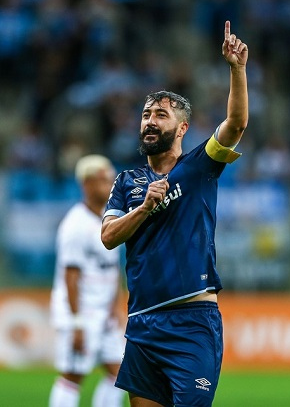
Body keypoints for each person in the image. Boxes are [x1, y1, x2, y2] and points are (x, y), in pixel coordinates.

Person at [101, 21, 249, 407]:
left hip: (192, 321)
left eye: (160, 115)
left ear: (182, 127)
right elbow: (108, 237)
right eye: (146, 114)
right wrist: (145, 207)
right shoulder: (127, 182)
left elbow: (235, 124)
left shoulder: (199, 166)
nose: (150, 120)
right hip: (142, 325)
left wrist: (236, 69)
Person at [49, 154, 127, 407]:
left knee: (119, 372)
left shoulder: (110, 220)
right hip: (82, 311)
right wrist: (76, 322)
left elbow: (113, 268)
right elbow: (70, 277)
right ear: (87, 184)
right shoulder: (75, 225)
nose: (110, 186)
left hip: (105, 312)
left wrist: (116, 305)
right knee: (73, 375)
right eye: (103, 180)